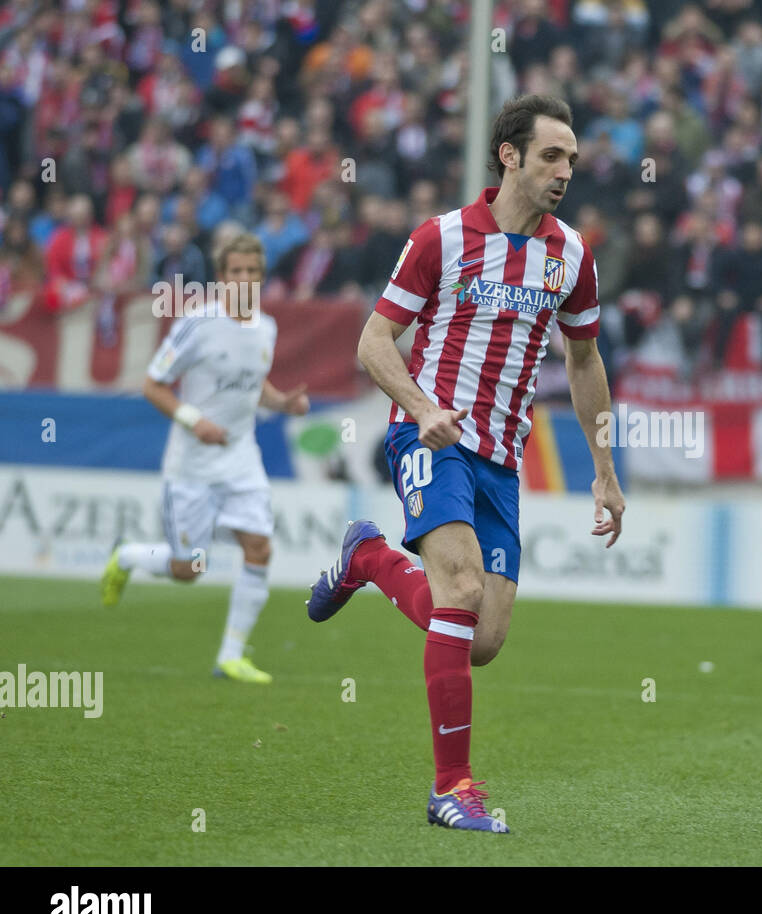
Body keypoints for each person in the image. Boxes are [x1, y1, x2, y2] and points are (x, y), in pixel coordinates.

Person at [305, 95, 625, 834]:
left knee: (480, 640)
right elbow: (374, 342)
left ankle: (370, 558)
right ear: (509, 155)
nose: (565, 170)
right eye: (552, 154)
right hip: (430, 440)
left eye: (572, 158)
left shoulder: (572, 256)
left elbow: (585, 359)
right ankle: (452, 788)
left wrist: (604, 466)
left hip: (501, 459)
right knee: (461, 585)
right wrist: (421, 410)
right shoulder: (440, 239)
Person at [100, 233, 311, 683]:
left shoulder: (266, 328)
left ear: (261, 276)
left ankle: (231, 656)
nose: (244, 279)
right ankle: (129, 555)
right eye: (236, 271)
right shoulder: (198, 324)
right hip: (192, 464)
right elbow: (153, 384)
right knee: (189, 568)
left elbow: (257, 386)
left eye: (252, 272)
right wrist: (195, 420)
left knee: (259, 546)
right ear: (221, 277)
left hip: (241, 455)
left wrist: (283, 404)